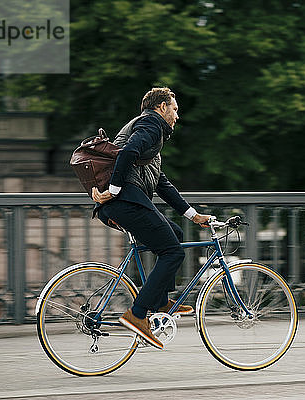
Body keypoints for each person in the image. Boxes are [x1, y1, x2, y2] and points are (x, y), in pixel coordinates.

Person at [92, 87, 211, 349]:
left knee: (175, 236)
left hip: (126, 203)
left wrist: (193, 215)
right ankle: (137, 314)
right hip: (125, 201)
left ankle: (159, 301)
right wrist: (113, 191)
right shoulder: (151, 124)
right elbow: (126, 153)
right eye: (175, 109)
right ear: (161, 107)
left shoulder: (152, 138)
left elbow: (162, 184)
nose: (177, 116)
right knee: (173, 253)